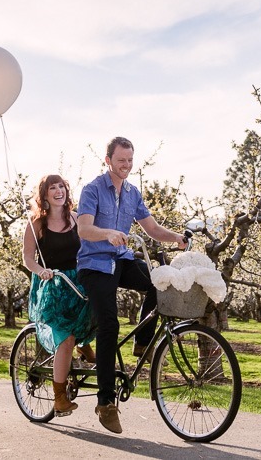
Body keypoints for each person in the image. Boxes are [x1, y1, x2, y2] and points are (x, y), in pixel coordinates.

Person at [77, 137, 186, 434]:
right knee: (109, 326)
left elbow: (151, 228)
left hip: (121, 259)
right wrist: (108, 233)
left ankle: (142, 345)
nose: (126, 165)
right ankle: (105, 402)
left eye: (130, 160)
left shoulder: (133, 193)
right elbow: (84, 229)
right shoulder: (92, 189)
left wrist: (175, 237)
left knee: (158, 282)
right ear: (107, 159)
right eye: (121, 160)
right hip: (95, 264)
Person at [22, 174, 96, 416]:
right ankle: (60, 397)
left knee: (100, 312)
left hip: (78, 280)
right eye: (52, 188)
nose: (58, 191)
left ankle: (83, 345)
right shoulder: (36, 225)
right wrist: (41, 271)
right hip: (53, 285)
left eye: (61, 186)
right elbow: (27, 258)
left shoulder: (75, 219)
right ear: (44, 195)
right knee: (65, 339)